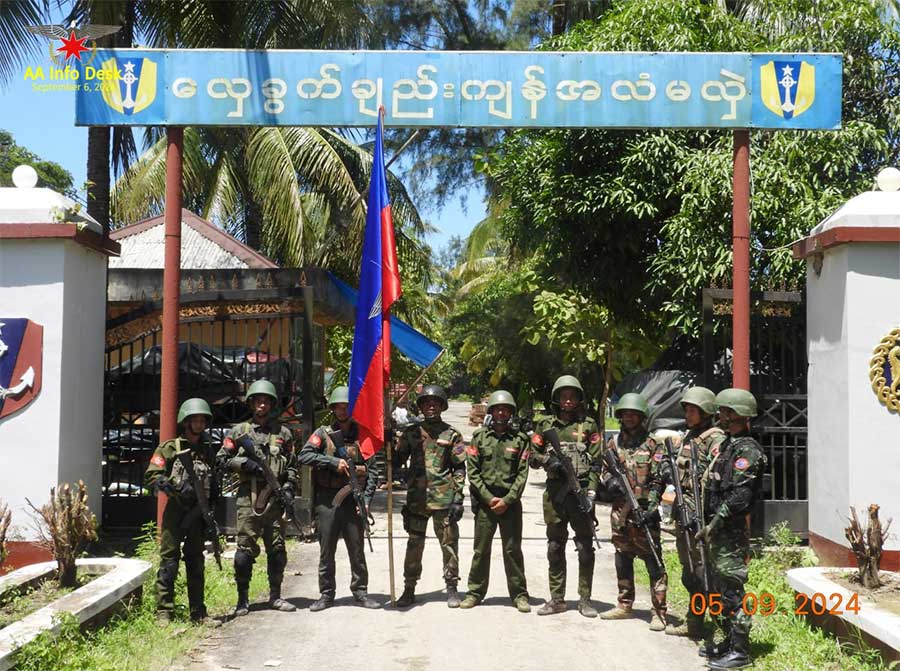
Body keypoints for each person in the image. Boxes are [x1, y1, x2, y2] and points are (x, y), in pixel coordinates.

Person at [695, 388, 766, 669]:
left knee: (734, 592)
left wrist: (713, 524)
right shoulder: (729, 444)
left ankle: (741, 652)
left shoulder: (747, 450)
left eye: (725, 411)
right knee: (723, 590)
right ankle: (730, 641)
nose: (720, 415)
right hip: (719, 531)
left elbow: (740, 497)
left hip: (729, 532)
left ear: (739, 414)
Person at [296, 386, 380, 611]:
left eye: (346, 407)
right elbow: (304, 455)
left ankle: (360, 592)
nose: (342, 412)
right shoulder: (323, 433)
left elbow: (373, 471)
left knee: (357, 549)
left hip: (353, 500)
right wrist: (333, 462)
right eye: (338, 408)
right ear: (332, 409)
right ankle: (326, 594)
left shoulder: (362, 435)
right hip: (328, 499)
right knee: (327, 550)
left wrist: (367, 502)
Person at [217, 379, 297, 616]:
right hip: (247, 498)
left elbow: (292, 465)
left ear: (271, 404)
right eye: (257, 401)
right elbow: (221, 459)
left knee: (278, 550)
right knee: (244, 552)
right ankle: (243, 600)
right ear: (252, 403)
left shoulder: (283, 433)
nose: (262, 405)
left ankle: (276, 596)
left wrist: (290, 487)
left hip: (275, 498)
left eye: (266, 401)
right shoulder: (239, 432)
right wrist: (246, 464)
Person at [530, 375, 603, 618]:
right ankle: (557, 599)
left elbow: (596, 463)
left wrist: (591, 493)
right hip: (555, 496)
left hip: (580, 493)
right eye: (564, 396)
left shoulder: (589, 426)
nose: (568, 400)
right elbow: (532, 455)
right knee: (554, 546)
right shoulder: (545, 425)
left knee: (585, 547)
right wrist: (548, 461)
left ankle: (585, 599)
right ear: (557, 399)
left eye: (572, 396)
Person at [144, 398, 219, 624]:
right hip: (176, 510)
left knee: (195, 561)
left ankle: (198, 612)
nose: (199, 424)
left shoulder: (208, 449)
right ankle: (164, 611)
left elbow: (215, 482)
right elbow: (152, 474)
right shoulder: (169, 448)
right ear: (185, 422)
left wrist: (210, 514)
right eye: (194, 420)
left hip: (198, 513)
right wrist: (167, 484)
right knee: (169, 561)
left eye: (202, 420)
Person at [599, 392, 669, 631]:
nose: (629, 418)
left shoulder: (653, 445)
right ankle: (624, 604)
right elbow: (604, 470)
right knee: (622, 557)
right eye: (625, 414)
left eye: (633, 414)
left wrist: (650, 506)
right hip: (621, 512)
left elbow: (660, 477)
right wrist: (609, 481)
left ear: (641, 417)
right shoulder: (614, 443)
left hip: (644, 512)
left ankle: (659, 612)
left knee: (653, 561)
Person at [660, 386, 726, 639]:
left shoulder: (714, 438)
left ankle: (722, 623)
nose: (688, 414)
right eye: (686, 410)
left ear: (706, 412)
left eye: (692, 410)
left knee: (706, 572)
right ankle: (695, 623)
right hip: (683, 512)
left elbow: (717, 474)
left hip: (702, 514)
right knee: (690, 573)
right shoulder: (689, 437)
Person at [393, 384, 466, 608]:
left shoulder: (452, 434)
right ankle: (409, 588)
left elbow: (460, 468)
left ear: (442, 406)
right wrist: (387, 442)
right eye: (426, 403)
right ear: (421, 407)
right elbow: (396, 461)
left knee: (449, 545)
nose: (431, 406)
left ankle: (451, 587)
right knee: (414, 546)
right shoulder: (411, 433)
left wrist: (458, 498)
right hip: (417, 500)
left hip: (443, 500)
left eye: (435, 403)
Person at [459, 390, 531, 613]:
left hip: (510, 505)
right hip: (485, 505)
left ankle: (519, 595)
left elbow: (522, 474)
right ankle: (475, 592)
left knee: (512, 550)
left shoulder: (520, 440)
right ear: (491, 411)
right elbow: (473, 471)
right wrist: (490, 499)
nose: (501, 412)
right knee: (481, 550)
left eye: (505, 409)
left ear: (511, 413)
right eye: (497, 408)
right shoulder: (479, 438)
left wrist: (507, 500)